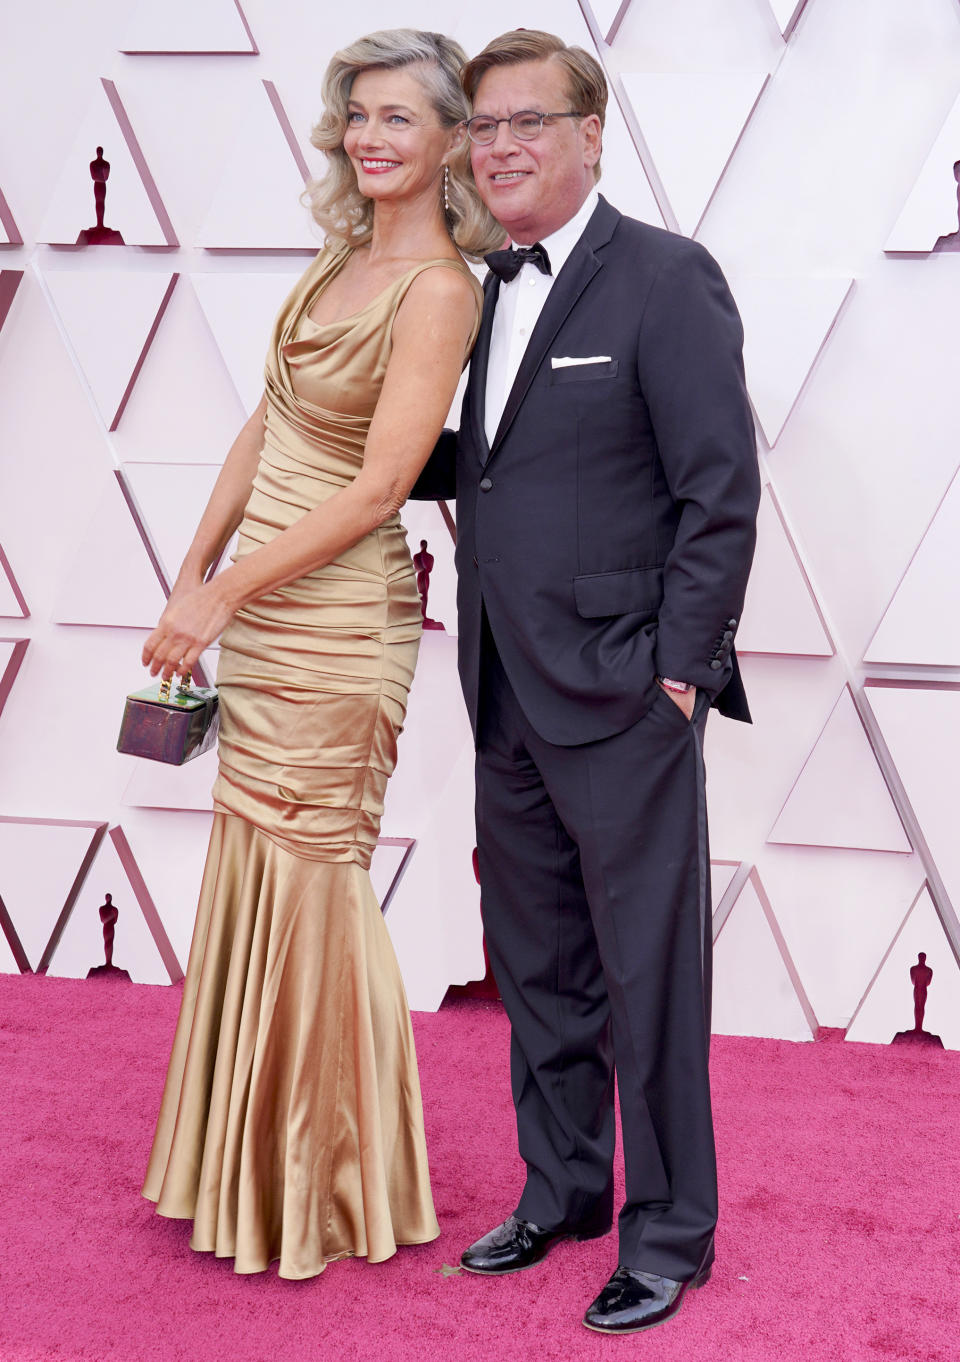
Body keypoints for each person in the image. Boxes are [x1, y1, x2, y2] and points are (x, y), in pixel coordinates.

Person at [411, 29, 760, 1334]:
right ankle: (562, 1187)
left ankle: (670, 1231)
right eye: (483, 127)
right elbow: (495, 460)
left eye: (528, 123)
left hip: (624, 693)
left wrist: (678, 673)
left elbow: (717, 491)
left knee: (648, 973)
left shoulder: (666, 281)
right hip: (502, 686)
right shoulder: (475, 287)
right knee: (540, 962)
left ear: (591, 132)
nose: (499, 146)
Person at [139, 28, 503, 1280]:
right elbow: (267, 421)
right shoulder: (341, 255)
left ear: (454, 138)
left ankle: (331, 1186)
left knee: (313, 880)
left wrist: (224, 590)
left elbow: (380, 488)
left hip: (341, 617)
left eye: (399, 117)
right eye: (359, 114)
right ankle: (239, 1168)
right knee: (256, 864)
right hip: (262, 605)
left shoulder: (444, 288)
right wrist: (193, 578)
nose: (371, 136)